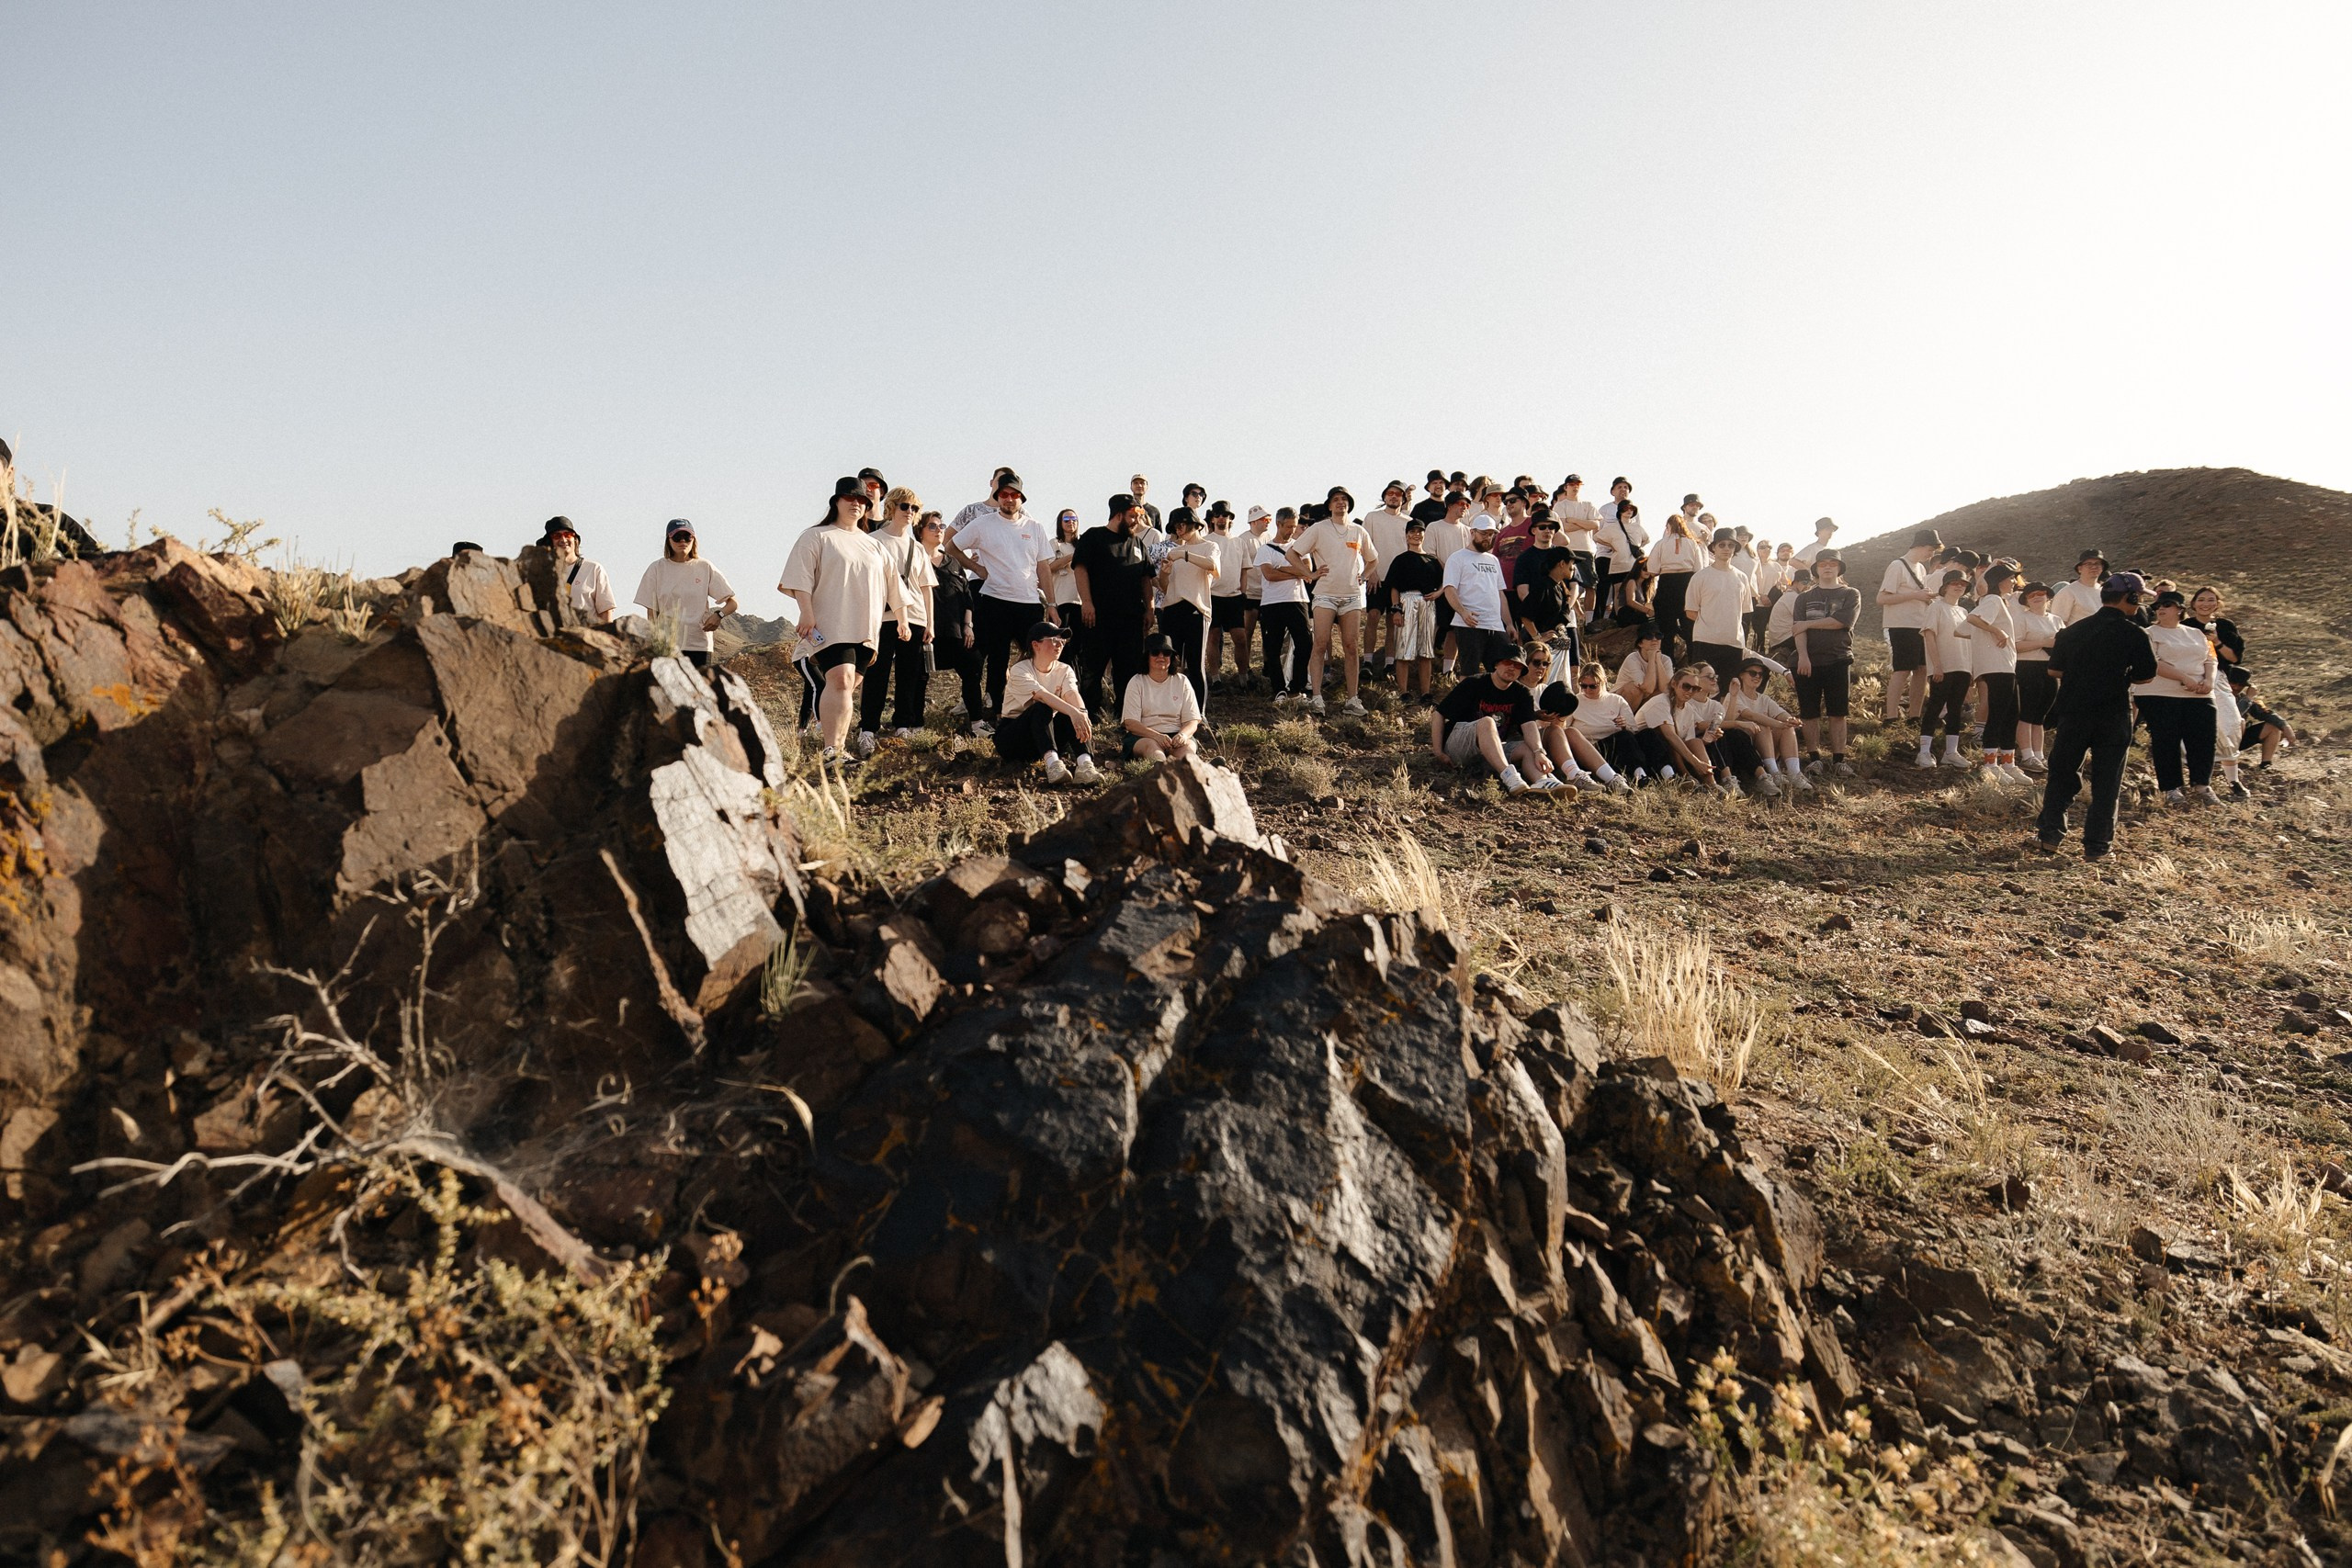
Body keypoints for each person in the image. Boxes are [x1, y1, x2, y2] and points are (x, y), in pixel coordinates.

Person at [778, 479, 906, 763]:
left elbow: (894, 584)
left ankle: (838, 749)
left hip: (866, 627)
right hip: (830, 623)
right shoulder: (816, 536)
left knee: (847, 685)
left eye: (862, 501)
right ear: (836, 501)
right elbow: (800, 577)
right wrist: (806, 612)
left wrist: (902, 619)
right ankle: (832, 751)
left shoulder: (873, 545)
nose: (856, 504)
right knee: (841, 679)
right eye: (850, 498)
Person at [2035, 571, 2155, 862]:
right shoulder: (2135, 633)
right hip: (2113, 713)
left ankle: (2050, 836)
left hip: (2073, 710)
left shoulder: (2072, 631)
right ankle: (2097, 847)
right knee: (2107, 782)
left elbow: (2053, 670)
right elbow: (2146, 676)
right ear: (2130, 597)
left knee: (2062, 773)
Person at [946, 471, 1057, 721]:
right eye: (1004, 494)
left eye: (1014, 495)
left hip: (1029, 602)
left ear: (1021, 498)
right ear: (997, 497)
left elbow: (1043, 568)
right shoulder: (983, 523)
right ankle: (998, 713)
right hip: (994, 601)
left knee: (1037, 656)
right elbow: (951, 547)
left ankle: (1040, 708)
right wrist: (976, 568)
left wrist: (1051, 604)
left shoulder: (1034, 527)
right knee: (998, 659)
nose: (1008, 499)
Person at [855, 487, 939, 748]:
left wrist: (930, 623)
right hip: (881, 617)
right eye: (905, 506)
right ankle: (868, 727)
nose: (910, 512)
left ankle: (903, 724)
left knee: (909, 675)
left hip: (915, 617)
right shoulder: (873, 540)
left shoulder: (917, 547)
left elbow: (926, 587)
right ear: (891, 507)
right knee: (876, 673)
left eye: (914, 508)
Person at [1289, 486, 1380, 715]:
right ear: (1329, 505)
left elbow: (1373, 559)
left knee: (1351, 646)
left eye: (1344, 499)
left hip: (1351, 596)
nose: (1341, 503)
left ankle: (1352, 700)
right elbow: (1292, 553)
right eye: (1336, 499)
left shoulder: (1358, 531)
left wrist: (1364, 576)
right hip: (1325, 595)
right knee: (1320, 643)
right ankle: (1317, 697)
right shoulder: (1319, 528)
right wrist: (1309, 574)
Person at [1072, 493, 1158, 720]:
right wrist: (1087, 602)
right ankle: (1090, 713)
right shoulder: (1093, 537)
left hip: (1131, 619)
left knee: (1128, 669)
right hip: (1098, 617)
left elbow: (1146, 579)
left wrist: (1149, 609)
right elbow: (1080, 569)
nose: (1136, 522)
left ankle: (1125, 713)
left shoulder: (1138, 543)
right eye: (1132, 516)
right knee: (1093, 667)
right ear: (1118, 515)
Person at [1428, 646, 1556, 795]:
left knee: (1527, 747)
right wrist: (1439, 752)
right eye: (1507, 663)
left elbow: (1529, 725)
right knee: (1487, 722)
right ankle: (1510, 777)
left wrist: (1539, 751)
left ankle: (1543, 782)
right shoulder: (1473, 683)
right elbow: (1439, 714)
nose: (1511, 668)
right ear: (1496, 664)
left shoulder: (1521, 693)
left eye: (1517, 666)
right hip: (1459, 746)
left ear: (1522, 671)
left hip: (1491, 751)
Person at [2134, 589, 2220, 804]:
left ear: (2179, 609)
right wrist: (2184, 678)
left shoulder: (2196, 634)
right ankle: (2171, 788)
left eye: (2166, 605)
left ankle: (2202, 785)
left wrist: (2209, 681)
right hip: (2160, 694)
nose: (2160, 609)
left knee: (2204, 739)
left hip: (2199, 695)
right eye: (2157, 606)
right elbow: (2153, 662)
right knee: (2167, 740)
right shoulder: (2149, 633)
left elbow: (2211, 659)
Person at [997, 622, 1099, 784]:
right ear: (1036, 645)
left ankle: (1085, 764)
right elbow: (1042, 696)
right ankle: (1053, 765)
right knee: (1044, 707)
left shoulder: (1065, 669)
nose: (1060, 644)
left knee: (1072, 710)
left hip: (1045, 735)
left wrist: (1081, 713)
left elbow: (1072, 693)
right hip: (1014, 738)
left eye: (1062, 640)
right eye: (1053, 640)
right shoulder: (1019, 670)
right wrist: (1074, 712)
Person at [1786, 552, 1859, 776]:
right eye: (1823, 564)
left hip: (1838, 659)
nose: (1827, 567)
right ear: (1816, 569)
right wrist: (1803, 656)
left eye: (1832, 564)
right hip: (1808, 661)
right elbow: (1798, 629)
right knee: (1809, 713)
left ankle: (1839, 760)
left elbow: (1842, 622)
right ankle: (1814, 759)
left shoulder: (1850, 593)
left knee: (1838, 712)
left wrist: (1809, 624)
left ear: (1839, 568)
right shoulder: (1803, 598)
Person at [633, 519, 740, 671]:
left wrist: (719, 615)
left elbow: (733, 603)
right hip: (667, 646)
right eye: (677, 537)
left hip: (699, 645)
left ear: (693, 539)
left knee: (699, 687)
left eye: (687, 536)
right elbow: (652, 613)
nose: (682, 541)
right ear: (669, 540)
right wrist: (655, 643)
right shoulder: (656, 568)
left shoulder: (705, 567)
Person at [923, 513, 990, 736]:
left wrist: (968, 625)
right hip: (925, 633)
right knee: (917, 676)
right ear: (919, 531)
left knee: (973, 666)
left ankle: (977, 723)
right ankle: (913, 724)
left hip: (956, 632)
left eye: (941, 526)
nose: (939, 530)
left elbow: (967, 597)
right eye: (932, 526)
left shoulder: (952, 562)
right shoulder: (915, 559)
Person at [1966, 560, 2027, 782]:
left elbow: (1961, 630)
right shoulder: (1993, 600)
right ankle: (1990, 765)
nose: (2013, 582)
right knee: (1999, 714)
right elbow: (1971, 618)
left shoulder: (1996, 602)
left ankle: (2008, 764)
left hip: (2005, 665)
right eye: (2010, 578)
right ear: (2000, 581)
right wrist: (1996, 631)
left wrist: (1985, 636)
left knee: (2012, 714)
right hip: (1997, 666)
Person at [1156, 509, 1219, 709]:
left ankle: (1199, 713)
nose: (1179, 530)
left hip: (1196, 610)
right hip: (1171, 609)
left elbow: (1213, 566)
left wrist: (1184, 554)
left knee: (1195, 664)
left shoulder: (1209, 546)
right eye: (1176, 527)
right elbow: (1165, 587)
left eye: (1181, 525)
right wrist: (1165, 573)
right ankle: (1170, 711)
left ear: (1194, 524)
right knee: (1170, 663)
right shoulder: (1173, 552)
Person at [1442, 513, 1519, 676]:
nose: (1487, 538)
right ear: (1472, 532)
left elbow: (1500, 594)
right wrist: (1463, 612)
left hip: (1495, 625)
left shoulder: (1493, 560)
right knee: (1470, 673)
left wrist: (1509, 623)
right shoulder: (1457, 558)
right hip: (1469, 625)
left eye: (1491, 534)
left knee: (1503, 671)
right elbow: (1449, 589)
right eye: (1484, 533)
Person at [1681, 528, 1755, 697]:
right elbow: (1691, 611)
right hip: (1706, 641)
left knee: (1728, 693)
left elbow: (1744, 612)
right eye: (1722, 545)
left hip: (1733, 643)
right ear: (1714, 547)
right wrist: (1711, 625)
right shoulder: (1700, 577)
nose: (1726, 549)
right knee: (1700, 691)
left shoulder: (1742, 578)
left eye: (1731, 545)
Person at [1914, 570, 1975, 769]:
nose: (1959, 587)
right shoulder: (1936, 607)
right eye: (1954, 583)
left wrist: (1970, 669)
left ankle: (1951, 752)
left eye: (1963, 584)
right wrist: (1937, 665)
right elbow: (1929, 635)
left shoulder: (1964, 612)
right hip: (1943, 667)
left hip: (1962, 666)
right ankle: (1924, 752)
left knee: (1955, 709)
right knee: (1935, 706)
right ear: (1945, 586)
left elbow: (1968, 642)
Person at [1255, 508, 1313, 703]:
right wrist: (1296, 570)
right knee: (1273, 648)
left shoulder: (1299, 547)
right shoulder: (1265, 549)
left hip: (1297, 600)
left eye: (1294, 527)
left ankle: (1297, 687)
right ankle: (1279, 689)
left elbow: (1308, 570)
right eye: (1289, 527)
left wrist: (1283, 568)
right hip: (1272, 603)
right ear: (1278, 525)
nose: (1292, 530)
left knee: (1305, 643)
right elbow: (1269, 574)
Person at [1724, 660, 1806, 795]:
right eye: (1752, 673)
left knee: (1787, 728)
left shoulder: (1764, 699)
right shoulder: (1733, 696)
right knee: (1763, 726)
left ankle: (1794, 773)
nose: (1757, 676)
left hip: (1765, 747)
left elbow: (1781, 713)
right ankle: (1773, 772)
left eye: (1760, 674)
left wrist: (1790, 720)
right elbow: (1751, 715)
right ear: (1741, 675)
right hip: (1745, 752)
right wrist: (1778, 724)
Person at [1385, 518, 1444, 702]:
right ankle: (1403, 692)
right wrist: (1396, 610)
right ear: (1406, 535)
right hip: (1407, 601)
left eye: (1419, 531)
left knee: (1426, 651)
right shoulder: (1400, 560)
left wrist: (1438, 593)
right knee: (1404, 649)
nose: (1416, 535)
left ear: (1424, 535)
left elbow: (1445, 581)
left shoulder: (1433, 560)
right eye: (1412, 531)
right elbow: (1394, 587)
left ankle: (1426, 693)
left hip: (1428, 603)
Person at [1121, 632, 1204, 762]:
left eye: (1166, 653)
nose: (1161, 657)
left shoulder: (1182, 681)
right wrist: (1157, 736)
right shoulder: (1136, 682)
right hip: (1144, 736)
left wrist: (1183, 735)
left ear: (1172, 657)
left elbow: (1192, 721)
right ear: (1147, 657)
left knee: (1187, 753)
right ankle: (1162, 770)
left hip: (1176, 735)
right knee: (1154, 752)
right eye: (1155, 652)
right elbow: (1131, 723)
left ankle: (1204, 770)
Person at [1363, 481, 1414, 674]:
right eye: (1390, 493)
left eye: (1398, 494)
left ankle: (1390, 663)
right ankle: (1367, 662)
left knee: (1393, 622)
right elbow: (1364, 546)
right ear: (1384, 496)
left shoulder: (1409, 521)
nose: (1394, 496)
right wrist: (1371, 572)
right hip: (1376, 577)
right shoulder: (1372, 517)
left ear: (1403, 498)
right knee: (1373, 616)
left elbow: (1411, 551)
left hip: (1398, 581)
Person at [2011, 581, 2061, 774]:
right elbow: (2015, 646)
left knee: (2040, 715)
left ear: (2048, 596)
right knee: (2027, 712)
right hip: (2027, 667)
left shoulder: (2056, 620)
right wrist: (2043, 642)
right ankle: (2027, 754)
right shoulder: (2022, 619)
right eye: (2032, 595)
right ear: (2026, 600)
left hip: (2049, 668)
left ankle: (2039, 755)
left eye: (2041, 593)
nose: (2037, 597)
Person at [1566, 663, 1642, 785]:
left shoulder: (1617, 700)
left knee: (1641, 735)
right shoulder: (1575, 701)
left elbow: (1633, 732)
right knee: (1624, 737)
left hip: (1615, 749)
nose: (1587, 690)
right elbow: (1564, 730)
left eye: (1593, 686)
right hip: (1588, 751)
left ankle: (1641, 775)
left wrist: (1624, 726)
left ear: (1604, 681)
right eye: (1583, 686)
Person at [1205, 502, 1253, 686]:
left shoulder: (1239, 542)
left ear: (1230, 519)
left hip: (1234, 597)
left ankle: (1243, 678)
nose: (1221, 518)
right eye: (1218, 515)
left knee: (1240, 638)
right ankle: (1215, 678)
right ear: (1212, 519)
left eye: (1225, 515)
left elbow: (1244, 571)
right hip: (1212, 595)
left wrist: (1243, 593)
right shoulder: (1206, 541)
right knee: (1213, 637)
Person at [1646, 507, 1705, 653]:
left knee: (1666, 626)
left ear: (1668, 527)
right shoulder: (1692, 543)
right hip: (1687, 582)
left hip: (1667, 582)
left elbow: (1652, 569)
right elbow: (1699, 568)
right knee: (1689, 625)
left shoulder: (1661, 543)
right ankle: (1693, 658)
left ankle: (1668, 659)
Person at [540, 517, 616, 626]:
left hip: (587, 634)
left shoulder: (594, 569)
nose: (563, 539)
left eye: (568, 534)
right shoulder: (544, 573)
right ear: (549, 542)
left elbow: (606, 611)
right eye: (557, 536)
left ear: (575, 539)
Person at [1595, 481, 1646, 615]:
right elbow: (1596, 535)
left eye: (1631, 509)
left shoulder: (1637, 526)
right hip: (1612, 560)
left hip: (1632, 563)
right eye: (1626, 509)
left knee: (1633, 590)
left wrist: (1636, 547)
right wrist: (1611, 545)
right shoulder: (1606, 512)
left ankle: (1632, 615)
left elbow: (1646, 538)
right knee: (1613, 590)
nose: (1629, 511)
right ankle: (1613, 617)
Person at [1553, 474, 1601, 614]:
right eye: (1572, 484)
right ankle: (1565, 612)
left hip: (1586, 549)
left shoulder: (1588, 505)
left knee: (1590, 585)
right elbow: (1564, 527)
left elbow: (1595, 525)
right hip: (1567, 549)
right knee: (1566, 584)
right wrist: (1584, 524)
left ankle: (1589, 619)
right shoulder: (1560, 505)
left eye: (1578, 484)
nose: (1575, 487)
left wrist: (1573, 520)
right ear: (1566, 487)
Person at [2229, 667, 2294, 767]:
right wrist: (2248, 699)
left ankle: (2266, 764)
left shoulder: (2242, 697)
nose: (2236, 687)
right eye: (2233, 683)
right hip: (2214, 742)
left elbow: (2265, 713)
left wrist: (2285, 726)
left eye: (2241, 685)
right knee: (2241, 721)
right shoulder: (2213, 695)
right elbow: (2231, 716)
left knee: (2273, 726)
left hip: (2235, 740)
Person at [1616, 623, 1673, 711]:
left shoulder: (1665, 660)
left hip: (1643, 700)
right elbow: (1648, 688)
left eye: (1658, 636)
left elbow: (1666, 689)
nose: (1655, 640)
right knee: (1635, 689)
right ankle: (1626, 718)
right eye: (1649, 637)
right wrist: (1651, 659)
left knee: (1663, 695)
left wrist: (1658, 660)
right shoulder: (1632, 659)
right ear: (1640, 643)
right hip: (1621, 701)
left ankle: (1641, 718)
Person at [2050, 550, 2109, 626]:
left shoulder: (2104, 591)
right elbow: (2058, 624)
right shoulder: (2068, 592)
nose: (2094, 567)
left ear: (2102, 568)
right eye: (2089, 564)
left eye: (2097, 564)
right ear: (2080, 569)